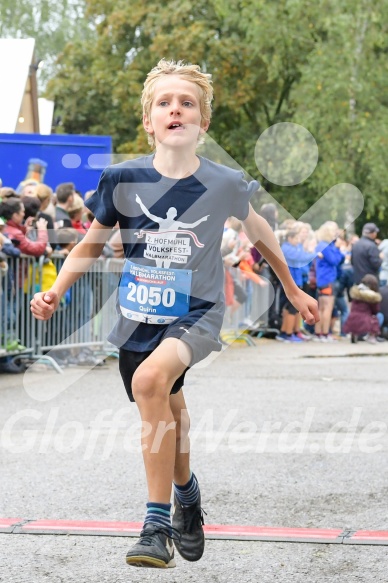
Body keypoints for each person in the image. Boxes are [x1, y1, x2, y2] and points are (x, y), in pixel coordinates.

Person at [30, 58, 319, 570]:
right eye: (164, 102)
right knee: (168, 402)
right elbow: (90, 246)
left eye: (187, 103)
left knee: (149, 383)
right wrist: (57, 292)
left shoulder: (226, 182)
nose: (176, 109)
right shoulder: (122, 178)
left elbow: (260, 233)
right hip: (139, 314)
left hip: (198, 311)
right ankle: (186, 494)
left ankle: (155, 523)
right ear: (149, 121)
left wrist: (293, 290)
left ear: (203, 123)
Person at [343, 274, 382, 343]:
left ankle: (354, 335)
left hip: (353, 317)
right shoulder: (373, 297)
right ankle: (371, 336)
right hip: (365, 319)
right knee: (378, 317)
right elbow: (375, 310)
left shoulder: (355, 293)